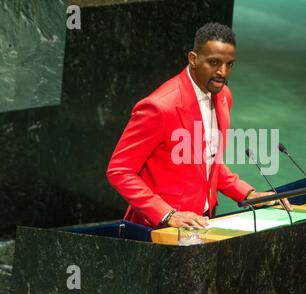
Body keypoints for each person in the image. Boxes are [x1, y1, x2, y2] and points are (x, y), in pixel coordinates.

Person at [106, 22, 291, 229]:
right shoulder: (159, 107)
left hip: (202, 222)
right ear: (193, 59)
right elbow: (120, 170)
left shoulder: (223, 98)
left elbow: (208, 163)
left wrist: (250, 194)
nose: (223, 72)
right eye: (214, 62)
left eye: (229, 64)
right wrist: (167, 214)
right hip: (157, 229)